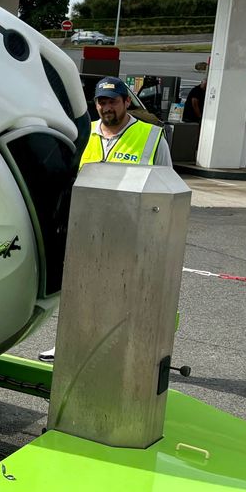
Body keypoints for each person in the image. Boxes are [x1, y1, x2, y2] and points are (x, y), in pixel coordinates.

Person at [39, 76, 172, 362]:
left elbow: (166, 187)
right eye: (101, 101)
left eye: (112, 101)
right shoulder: (84, 133)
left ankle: (122, 352)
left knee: (124, 294)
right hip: (85, 228)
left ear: (127, 101)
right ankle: (69, 343)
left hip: (131, 232)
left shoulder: (151, 136)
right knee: (78, 290)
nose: (106, 107)